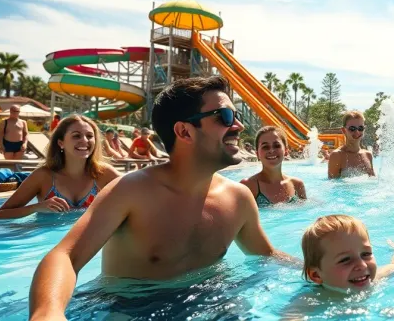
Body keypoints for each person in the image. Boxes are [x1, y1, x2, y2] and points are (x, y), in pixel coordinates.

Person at [28, 76, 297, 321]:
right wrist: (48, 311)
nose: (238, 125)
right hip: (127, 308)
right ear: (184, 132)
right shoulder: (132, 191)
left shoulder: (238, 198)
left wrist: (318, 269)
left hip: (210, 303)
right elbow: (65, 255)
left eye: (235, 115)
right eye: (225, 116)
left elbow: (267, 255)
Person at [0, 115, 121, 219]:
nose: (84, 140)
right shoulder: (43, 176)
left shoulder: (104, 173)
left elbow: (138, 196)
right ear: (61, 143)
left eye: (89, 136)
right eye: (76, 136)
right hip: (46, 243)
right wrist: (35, 207)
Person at [301, 214, 394, 292]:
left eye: (366, 254)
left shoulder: (376, 278)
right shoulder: (309, 301)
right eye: (345, 259)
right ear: (316, 275)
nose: (362, 265)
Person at [240, 126, 307, 207]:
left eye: (277, 146)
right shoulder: (248, 185)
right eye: (265, 147)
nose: (271, 150)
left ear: (286, 151)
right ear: (257, 154)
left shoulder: (297, 185)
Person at [328, 111, 375, 178]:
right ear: (344, 130)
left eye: (360, 128)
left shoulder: (368, 155)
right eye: (352, 129)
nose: (357, 132)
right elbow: (332, 184)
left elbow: (373, 182)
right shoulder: (337, 155)